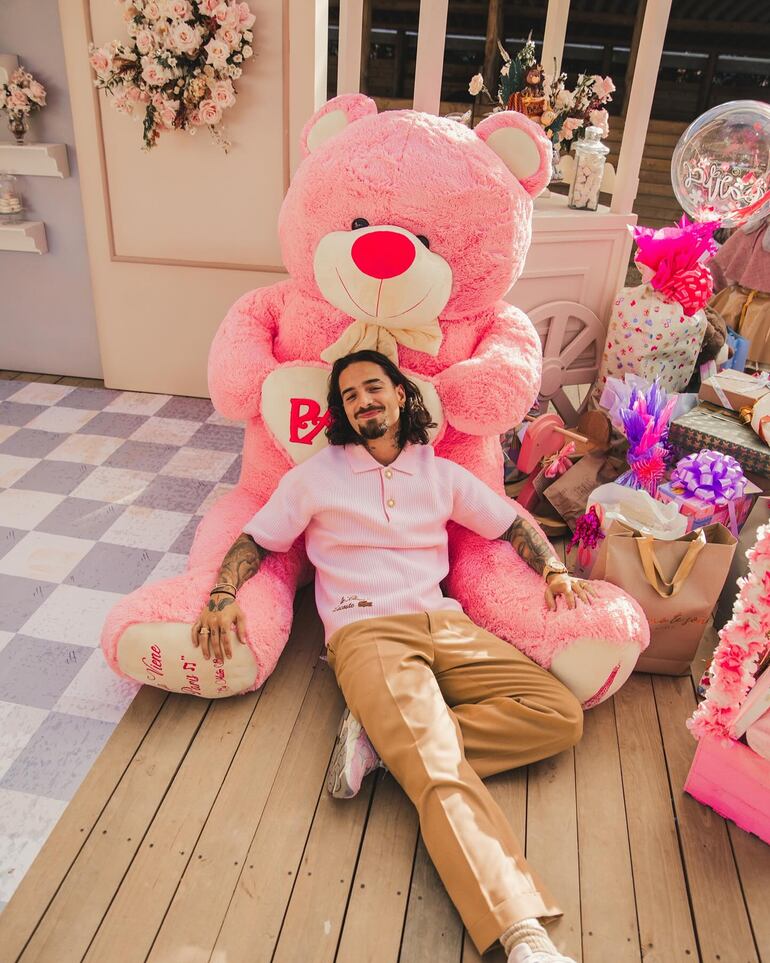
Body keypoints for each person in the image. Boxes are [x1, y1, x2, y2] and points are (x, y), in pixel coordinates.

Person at [192, 349, 596, 963]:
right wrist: (222, 593)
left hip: (443, 621)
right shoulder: (315, 477)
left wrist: (554, 568)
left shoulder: (439, 473)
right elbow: (256, 538)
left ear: (402, 395)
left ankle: (383, 746)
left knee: (559, 713)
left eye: (373, 387)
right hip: (368, 630)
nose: (362, 401)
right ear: (342, 412)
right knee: (437, 767)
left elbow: (508, 523)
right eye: (349, 395)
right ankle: (523, 935)